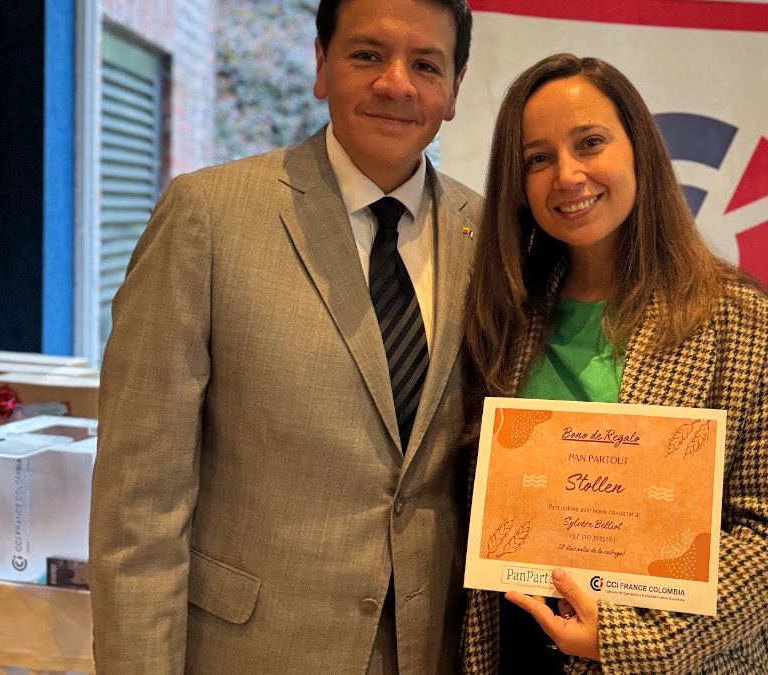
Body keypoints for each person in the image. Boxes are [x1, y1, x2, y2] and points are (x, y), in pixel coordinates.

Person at [89, 1, 477, 673]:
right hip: (251, 651)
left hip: (433, 650)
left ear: (453, 89)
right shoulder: (209, 216)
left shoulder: (488, 235)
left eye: (425, 64)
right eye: (366, 54)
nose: (395, 83)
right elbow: (139, 503)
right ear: (322, 64)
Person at [459, 54, 768, 674]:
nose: (567, 175)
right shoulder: (502, 314)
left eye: (590, 143)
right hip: (512, 649)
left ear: (639, 151)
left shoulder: (746, 326)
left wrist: (624, 637)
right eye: (537, 158)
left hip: (671, 661)